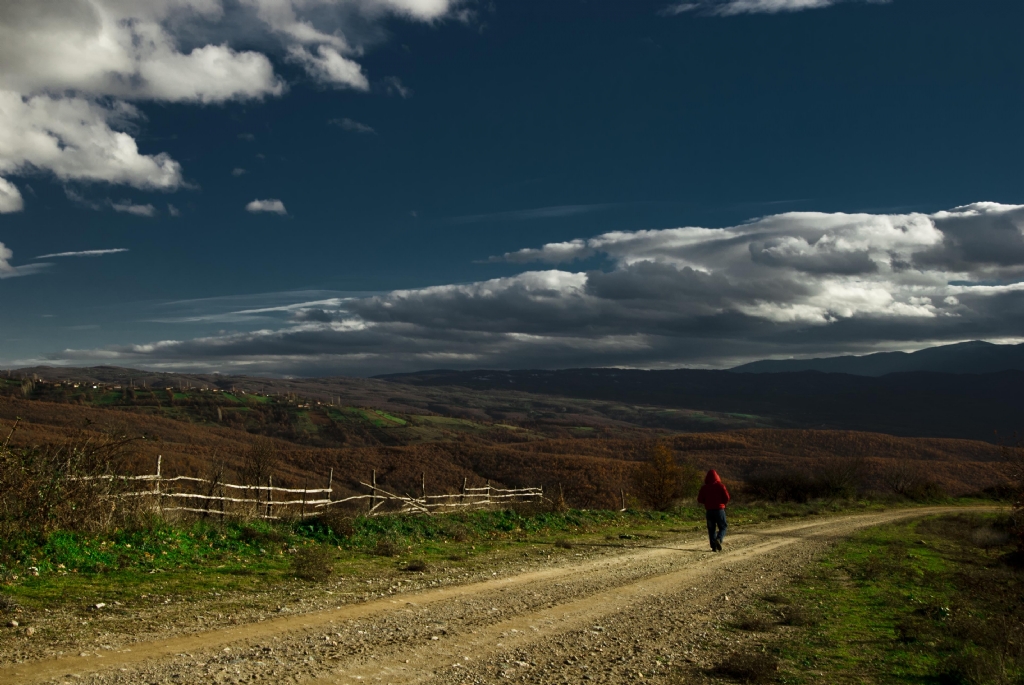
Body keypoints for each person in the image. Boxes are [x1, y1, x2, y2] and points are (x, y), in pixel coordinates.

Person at [697, 469, 730, 552]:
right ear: (717, 477)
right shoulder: (721, 486)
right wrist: (723, 503)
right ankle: (719, 539)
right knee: (723, 527)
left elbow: (700, 500)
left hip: (709, 511)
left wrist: (707, 502)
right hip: (719, 510)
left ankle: (713, 546)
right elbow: (727, 498)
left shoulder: (704, 488)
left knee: (711, 529)